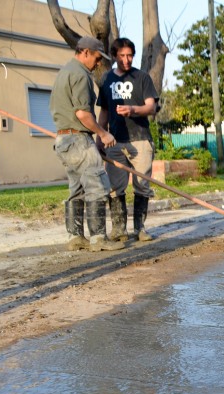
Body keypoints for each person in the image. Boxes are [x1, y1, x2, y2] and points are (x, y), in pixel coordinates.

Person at [49, 37, 123, 252]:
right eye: (98, 58)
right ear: (86, 52)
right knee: (97, 187)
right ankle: (99, 239)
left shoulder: (64, 72)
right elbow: (82, 113)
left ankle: (75, 237)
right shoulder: (80, 75)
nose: (98, 63)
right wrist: (102, 133)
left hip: (63, 140)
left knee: (77, 189)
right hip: (79, 140)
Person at [97, 37, 159, 242]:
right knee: (115, 187)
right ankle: (119, 229)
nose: (126, 59)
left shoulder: (142, 78)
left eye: (130, 55)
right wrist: (100, 137)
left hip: (140, 139)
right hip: (114, 141)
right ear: (114, 56)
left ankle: (140, 228)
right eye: (122, 56)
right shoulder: (106, 79)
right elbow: (104, 111)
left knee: (142, 185)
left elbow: (151, 107)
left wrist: (132, 109)